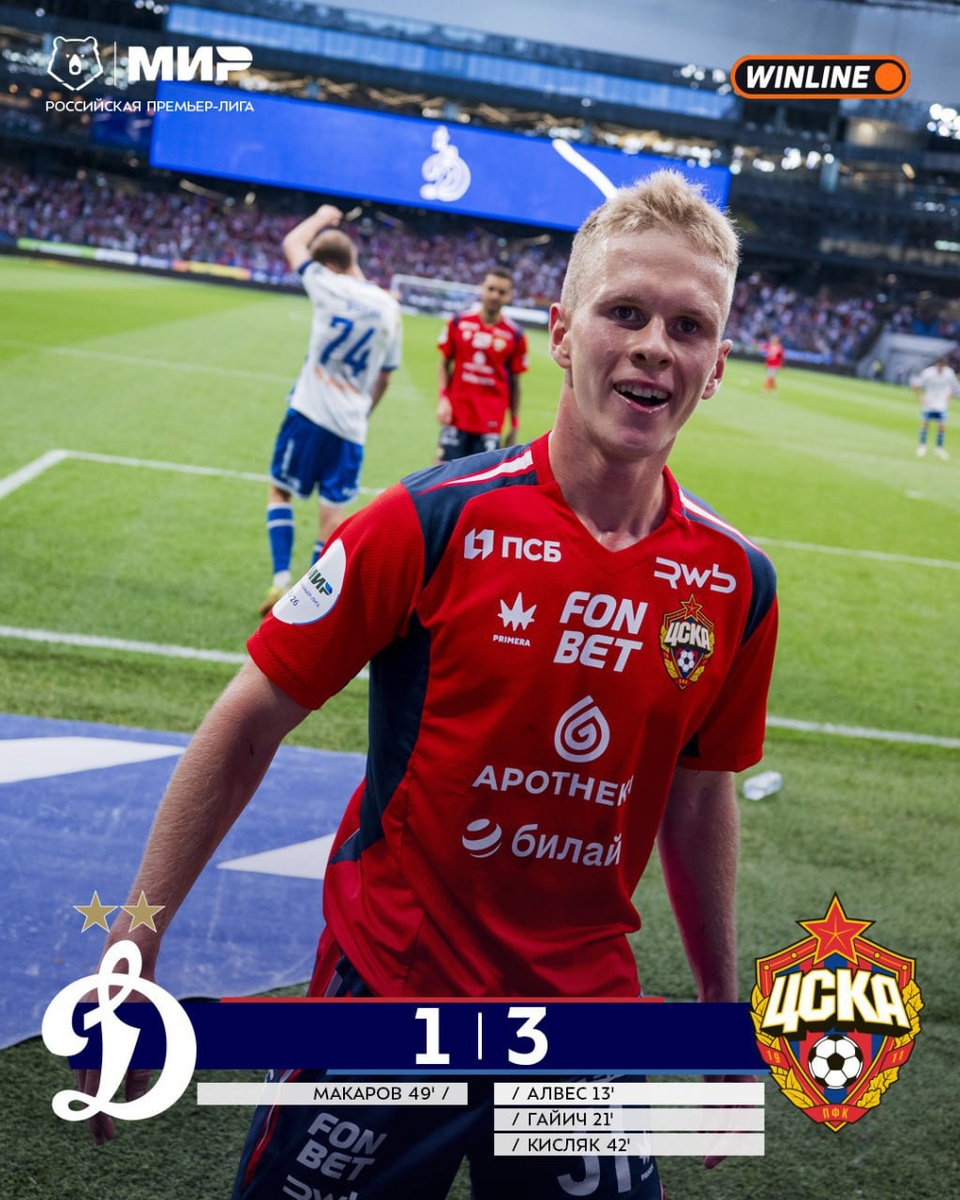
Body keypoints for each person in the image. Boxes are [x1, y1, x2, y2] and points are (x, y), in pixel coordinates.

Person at [81, 172, 778, 1199]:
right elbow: (246, 726)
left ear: (716, 367)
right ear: (561, 331)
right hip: (389, 1002)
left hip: (580, 1024)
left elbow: (700, 790)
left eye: (688, 326)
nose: (653, 347)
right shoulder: (428, 522)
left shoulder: (734, 580)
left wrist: (721, 1013)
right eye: (624, 312)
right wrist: (133, 942)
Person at [259, 203, 403, 616]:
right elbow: (385, 377)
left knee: (280, 489)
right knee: (332, 516)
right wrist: (363, 411)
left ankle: (280, 582)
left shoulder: (327, 284)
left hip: (308, 412)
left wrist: (323, 216)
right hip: (351, 427)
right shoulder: (388, 306)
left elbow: (293, 242)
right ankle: (306, 607)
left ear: (329, 266)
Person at [436, 266, 528, 460]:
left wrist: (514, 424)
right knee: (443, 471)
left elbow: (515, 384)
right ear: (481, 288)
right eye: (491, 289)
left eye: (501, 292)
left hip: (491, 421)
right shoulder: (458, 322)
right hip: (456, 414)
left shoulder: (515, 335)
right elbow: (444, 364)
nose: (495, 296)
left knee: (484, 477)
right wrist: (443, 399)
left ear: (509, 296)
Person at [912, 355, 958, 459]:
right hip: (929, 402)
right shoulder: (928, 373)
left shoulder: (949, 373)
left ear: (945, 366)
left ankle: (939, 449)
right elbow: (916, 384)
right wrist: (920, 398)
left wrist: (949, 398)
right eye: (938, 365)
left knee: (942, 426)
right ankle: (922, 446)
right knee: (925, 424)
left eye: (942, 366)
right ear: (936, 365)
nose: (940, 368)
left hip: (941, 404)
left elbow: (954, 386)